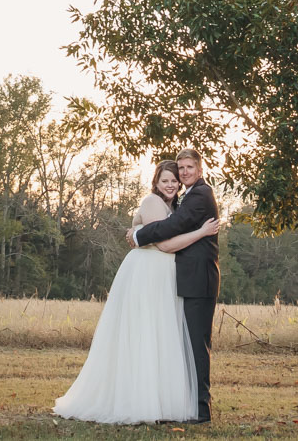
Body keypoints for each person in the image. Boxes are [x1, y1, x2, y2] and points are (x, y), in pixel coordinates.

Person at [53, 160, 221, 424]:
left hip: (165, 276)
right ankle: (144, 400)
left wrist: (141, 232)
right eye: (166, 180)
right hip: (150, 273)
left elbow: (170, 231)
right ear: (155, 183)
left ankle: (172, 401)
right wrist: (201, 233)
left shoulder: (177, 204)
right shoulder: (153, 203)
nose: (172, 184)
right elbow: (165, 245)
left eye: (174, 180)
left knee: (162, 337)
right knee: (147, 335)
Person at [127, 149, 219, 424]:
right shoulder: (184, 198)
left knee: (196, 344)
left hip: (198, 280)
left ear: (200, 170)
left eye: (190, 167)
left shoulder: (201, 194)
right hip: (185, 279)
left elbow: (174, 226)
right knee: (186, 344)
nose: (185, 172)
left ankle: (202, 411)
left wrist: (138, 234)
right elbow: (173, 226)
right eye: (181, 168)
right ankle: (189, 405)